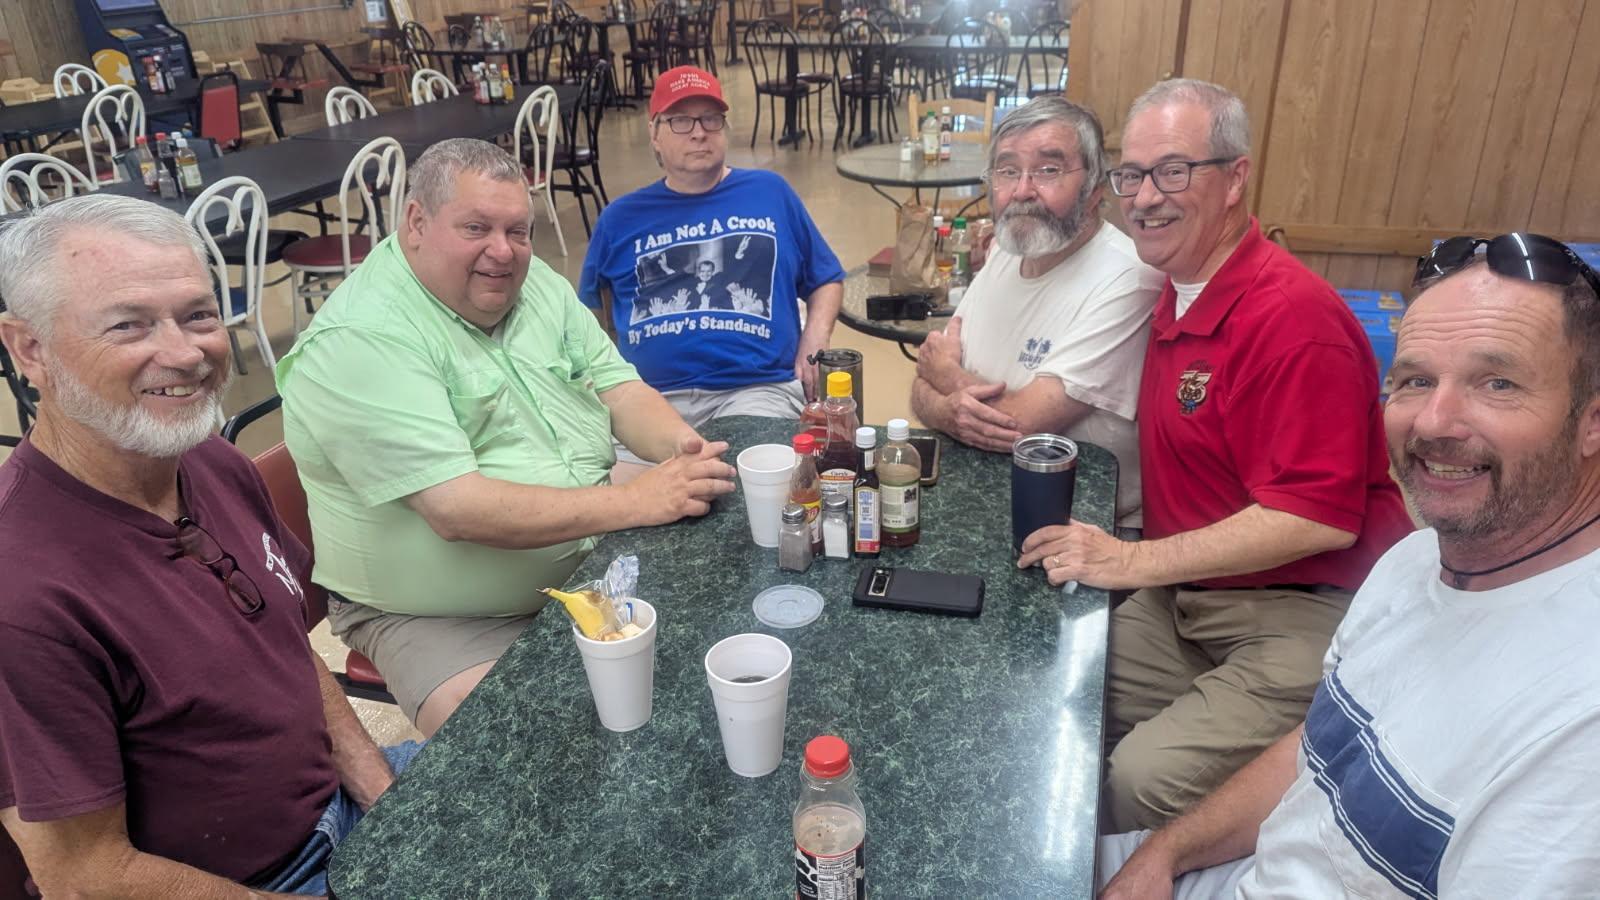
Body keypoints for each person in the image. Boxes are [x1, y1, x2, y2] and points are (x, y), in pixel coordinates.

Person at [1099, 234, 1600, 898]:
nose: (1435, 422)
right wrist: (1165, 852)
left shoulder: (1577, 721)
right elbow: (1320, 751)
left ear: (1593, 421)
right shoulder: (1414, 561)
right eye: (1416, 380)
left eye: (1497, 383)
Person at [1016, 79, 1413, 830]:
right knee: (1045, 690)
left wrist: (1132, 560)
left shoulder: (1294, 319)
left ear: (1235, 179)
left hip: (1306, 608)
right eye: (1131, 175)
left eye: (1173, 171)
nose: (1144, 197)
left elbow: (1316, 517)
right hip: (1194, 594)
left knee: (1137, 780)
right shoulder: (1178, 288)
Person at [0, 195, 412, 896]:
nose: (186, 354)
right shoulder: (25, 596)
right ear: (29, 348)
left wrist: (388, 803)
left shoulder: (206, 459)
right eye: (129, 324)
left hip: (336, 805)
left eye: (198, 315)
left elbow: (287, 651)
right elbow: (83, 875)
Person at [276, 139, 735, 736]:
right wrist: (637, 501)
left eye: (518, 231)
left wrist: (682, 447)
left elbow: (618, 389)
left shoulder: (530, 281)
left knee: (709, 657)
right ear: (416, 222)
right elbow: (457, 509)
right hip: (440, 616)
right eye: (476, 227)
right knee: (540, 753)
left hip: (587, 556)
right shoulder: (363, 339)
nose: (503, 251)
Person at [909, 96, 1163, 529]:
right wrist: (944, 406)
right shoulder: (1007, 252)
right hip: (984, 502)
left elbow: (1020, 426)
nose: (1023, 190)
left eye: (1048, 170)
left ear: (1095, 188)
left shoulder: (1130, 279)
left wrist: (948, 379)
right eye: (1008, 171)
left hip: (1080, 526)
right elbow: (919, 384)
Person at [578, 66, 846, 458]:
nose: (699, 132)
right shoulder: (620, 218)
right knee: (615, 490)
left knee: (750, 481)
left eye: (710, 118)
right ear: (654, 134)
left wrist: (815, 336)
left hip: (755, 389)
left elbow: (826, 277)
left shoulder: (770, 193)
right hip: (648, 399)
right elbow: (583, 319)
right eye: (680, 120)